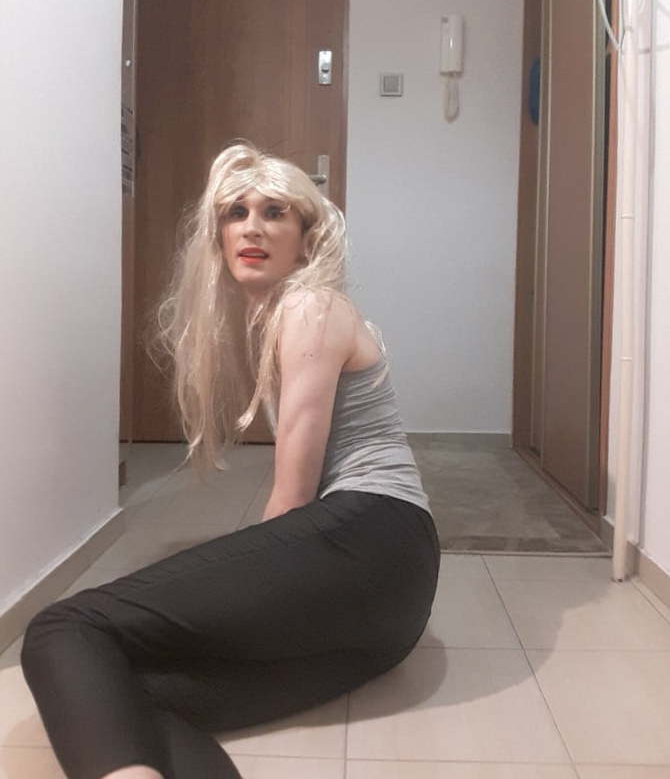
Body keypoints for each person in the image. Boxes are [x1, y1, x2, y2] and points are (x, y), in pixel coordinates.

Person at [20, 141, 440, 779]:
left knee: (64, 628)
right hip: (386, 607)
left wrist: (245, 589)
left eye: (274, 212)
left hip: (372, 536)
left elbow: (294, 496)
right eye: (235, 213)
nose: (252, 227)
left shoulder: (311, 306)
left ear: (306, 240)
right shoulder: (280, 317)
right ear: (217, 237)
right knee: (127, 687)